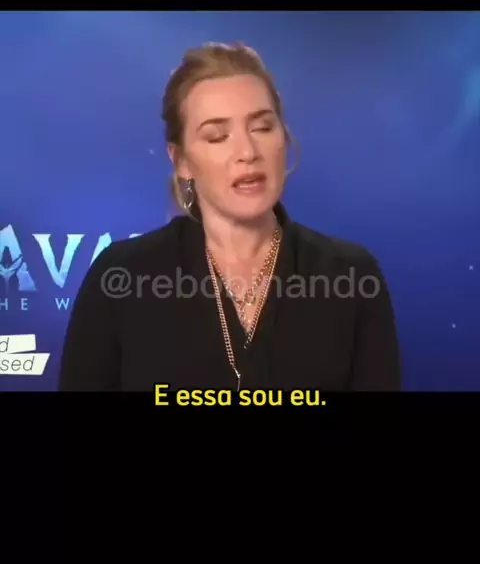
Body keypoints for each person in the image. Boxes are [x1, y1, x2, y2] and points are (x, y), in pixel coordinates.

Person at [58, 42, 401, 392]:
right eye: (217, 136)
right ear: (181, 161)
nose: (247, 152)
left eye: (262, 128)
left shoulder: (350, 274)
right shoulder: (121, 276)